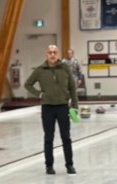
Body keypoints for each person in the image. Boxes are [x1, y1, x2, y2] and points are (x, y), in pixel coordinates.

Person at [24, 44, 79, 175]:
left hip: (63, 107)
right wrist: (39, 94)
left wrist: (75, 106)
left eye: (55, 52)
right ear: (46, 54)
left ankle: (69, 165)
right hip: (47, 107)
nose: (52, 55)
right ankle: (49, 166)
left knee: (66, 137)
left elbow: (72, 87)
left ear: (58, 54)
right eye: (50, 52)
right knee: (48, 138)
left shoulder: (65, 68)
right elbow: (28, 84)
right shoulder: (40, 70)